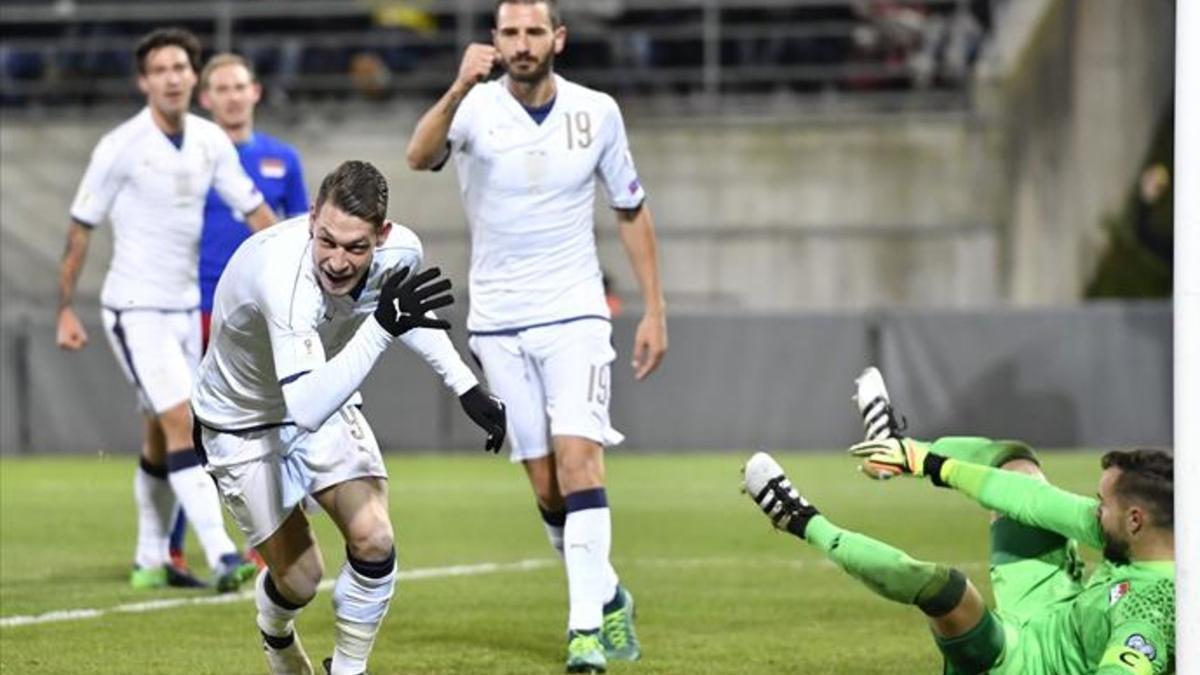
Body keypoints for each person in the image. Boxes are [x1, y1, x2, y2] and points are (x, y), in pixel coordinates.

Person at [405, 0, 668, 670]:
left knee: (581, 463)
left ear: (559, 38)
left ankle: (584, 633)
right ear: (494, 41)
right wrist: (460, 83)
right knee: (548, 488)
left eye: (533, 31)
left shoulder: (597, 111)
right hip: (497, 320)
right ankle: (608, 594)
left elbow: (632, 210)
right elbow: (418, 155)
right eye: (510, 32)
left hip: (577, 313)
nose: (522, 44)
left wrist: (654, 309)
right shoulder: (474, 106)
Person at [191, 160, 507, 675]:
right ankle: (276, 636)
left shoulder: (402, 250)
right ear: (312, 216)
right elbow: (309, 405)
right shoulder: (282, 274)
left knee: (374, 539)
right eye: (327, 241)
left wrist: (467, 386)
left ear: (381, 236)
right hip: (241, 421)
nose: (337, 261)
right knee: (301, 579)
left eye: (356, 247)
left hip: (320, 395)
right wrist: (382, 328)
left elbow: (400, 313)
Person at [743, 367, 1175, 675]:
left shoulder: (1153, 611)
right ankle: (895, 444)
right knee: (1018, 465)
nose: (1093, 509)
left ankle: (799, 519)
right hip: (1052, 602)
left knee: (944, 589)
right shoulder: (1145, 532)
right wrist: (923, 461)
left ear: (1135, 521)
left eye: (1102, 504)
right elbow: (1025, 499)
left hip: (1023, 662)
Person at [56, 27, 276, 592]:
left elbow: (254, 211)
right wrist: (65, 309)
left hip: (183, 308)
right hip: (134, 309)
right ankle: (224, 554)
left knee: (160, 434)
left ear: (191, 78)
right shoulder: (119, 146)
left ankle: (150, 558)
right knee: (185, 421)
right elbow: (81, 228)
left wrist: (292, 271)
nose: (173, 78)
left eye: (181, 67)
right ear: (144, 81)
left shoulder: (208, 141)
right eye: (161, 70)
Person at [167, 52, 311, 573]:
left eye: (239, 86)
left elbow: (300, 236)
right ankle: (174, 544)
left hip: (259, 313)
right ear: (206, 99)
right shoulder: (191, 158)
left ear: (255, 92)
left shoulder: (282, 159)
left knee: (267, 423)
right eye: (220, 88)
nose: (230, 96)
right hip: (196, 306)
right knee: (187, 424)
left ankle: (263, 538)